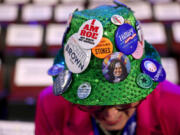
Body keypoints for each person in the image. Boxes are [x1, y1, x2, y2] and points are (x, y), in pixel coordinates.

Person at [35, 1, 180, 135]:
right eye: (94, 104)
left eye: (124, 102)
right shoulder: (49, 107)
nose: (110, 115)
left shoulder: (175, 105)